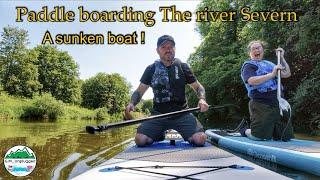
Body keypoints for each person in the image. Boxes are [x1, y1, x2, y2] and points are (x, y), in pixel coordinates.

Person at [125, 35, 209, 147]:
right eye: (164, 47)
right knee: (140, 140)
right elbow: (139, 92)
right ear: (157, 50)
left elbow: (199, 87)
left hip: (182, 114)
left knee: (200, 139)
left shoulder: (183, 67)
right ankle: (159, 134)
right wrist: (132, 103)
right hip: (158, 115)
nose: (168, 49)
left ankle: (187, 132)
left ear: (174, 49)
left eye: (171, 47)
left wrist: (202, 99)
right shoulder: (151, 69)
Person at [240, 40, 294, 141]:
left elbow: (287, 74)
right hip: (261, 103)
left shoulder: (270, 64)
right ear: (250, 53)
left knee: (285, 137)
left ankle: (273, 132)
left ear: (263, 50)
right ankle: (245, 130)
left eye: (258, 48)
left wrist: (282, 58)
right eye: (253, 49)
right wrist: (272, 74)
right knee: (258, 137)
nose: (256, 50)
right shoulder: (249, 66)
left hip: (278, 102)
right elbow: (251, 81)